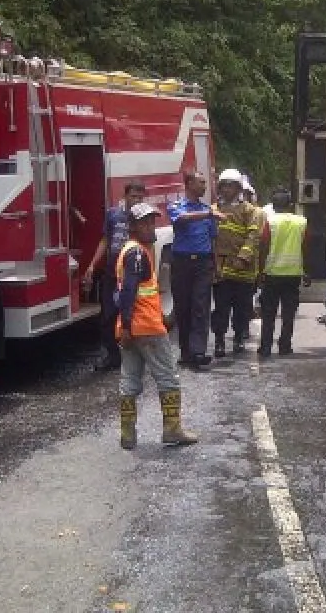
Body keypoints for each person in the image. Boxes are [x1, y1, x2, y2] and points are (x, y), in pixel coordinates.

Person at [116, 203, 199, 449]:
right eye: (145, 223)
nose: (151, 227)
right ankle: (172, 430)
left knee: (130, 379)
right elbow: (129, 291)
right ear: (133, 227)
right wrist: (129, 326)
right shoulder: (137, 254)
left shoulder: (130, 250)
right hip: (147, 328)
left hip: (132, 328)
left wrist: (126, 328)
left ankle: (127, 434)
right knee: (168, 378)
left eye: (152, 222)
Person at [84, 181, 147, 370]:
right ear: (125, 196)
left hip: (132, 273)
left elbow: (148, 244)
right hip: (112, 272)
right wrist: (92, 265)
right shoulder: (113, 214)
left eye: (140, 197)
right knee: (108, 316)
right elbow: (105, 240)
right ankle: (112, 356)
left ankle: (136, 356)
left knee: (132, 315)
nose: (136, 200)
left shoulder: (143, 217)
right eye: (133, 196)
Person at [167, 172, 224, 369]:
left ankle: (198, 351)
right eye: (201, 183)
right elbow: (181, 219)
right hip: (182, 262)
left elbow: (213, 240)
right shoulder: (177, 206)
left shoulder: (207, 210)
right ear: (189, 184)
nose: (204, 186)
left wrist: (216, 266)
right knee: (183, 307)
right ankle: (186, 352)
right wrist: (209, 215)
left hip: (203, 263)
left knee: (201, 306)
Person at [211, 169, 262, 356]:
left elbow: (253, 236)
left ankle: (239, 337)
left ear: (239, 188)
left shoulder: (250, 211)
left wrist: (243, 257)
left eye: (230, 185)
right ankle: (219, 341)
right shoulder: (213, 210)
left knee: (242, 308)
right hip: (221, 269)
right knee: (221, 308)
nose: (226, 189)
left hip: (243, 270)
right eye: (223, 185)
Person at [258, 188, 308, 357]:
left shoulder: (270, 222)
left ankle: (265, 347)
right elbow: (305, 247)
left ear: (273, 205)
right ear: (290, 205)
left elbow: (264, 247)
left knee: (268, 313)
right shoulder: (301, 222)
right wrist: (306, 270)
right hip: (293, 275)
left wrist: (260, 271)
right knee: (289, 313)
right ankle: (285, 346)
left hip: (272, 274)